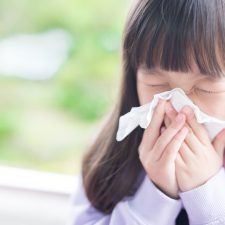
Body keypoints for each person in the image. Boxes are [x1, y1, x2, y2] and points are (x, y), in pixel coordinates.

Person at [69, 0, 225, 224]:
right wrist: (156, 195)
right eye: (157, 83)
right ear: (134, 78)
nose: (180, 106)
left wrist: (207, 194)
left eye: (204, 87)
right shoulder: (110, 158)